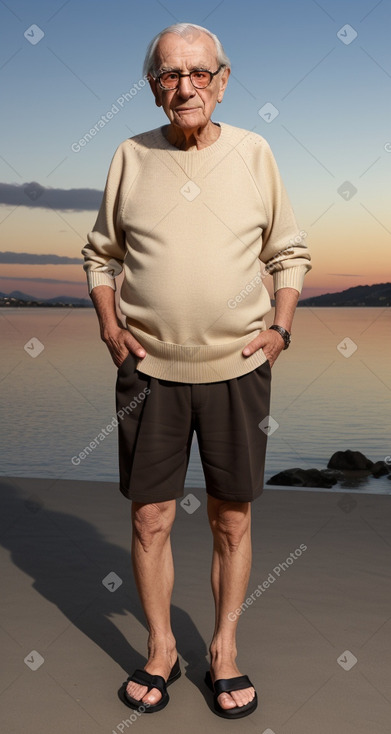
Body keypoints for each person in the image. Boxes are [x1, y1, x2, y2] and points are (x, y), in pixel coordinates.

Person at [82, 22, 311, 719]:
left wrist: (280, 329)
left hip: (237, 369)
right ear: (153, 87)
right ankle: (158, 649)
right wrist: (108, 324)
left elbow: (289, 252)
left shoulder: (254, 153)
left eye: (198, 73)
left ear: (222, 78)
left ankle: (223, 650)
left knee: (230, 520)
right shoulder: (130, 154)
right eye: (169, 75)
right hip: (147, 370)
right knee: (150, 518)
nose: (185, 87)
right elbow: (100, 254)